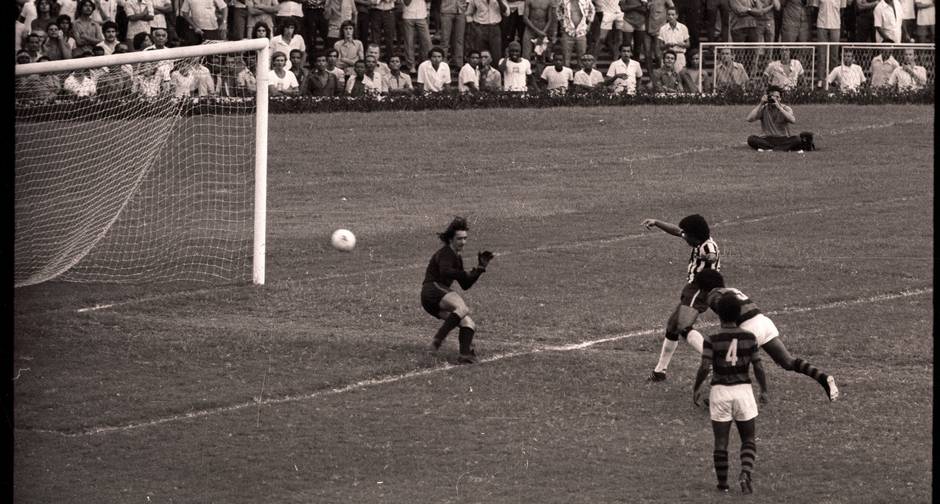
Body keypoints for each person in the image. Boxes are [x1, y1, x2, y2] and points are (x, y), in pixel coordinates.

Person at [689, 269, 840, 403]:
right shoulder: (733, 290)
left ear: (704, 287)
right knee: (788, 362)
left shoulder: (713, 296)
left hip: (749, 327)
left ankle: (720, 396)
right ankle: (823, 378)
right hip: (764, 322)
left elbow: (728, 317)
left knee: (727, 361)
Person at [692, 291, 767, 495]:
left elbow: (705, 366)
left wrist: (697, 387)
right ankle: (745, 472)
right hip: (743, 391)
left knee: (721, 442)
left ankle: (723, 485)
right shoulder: (749, 338)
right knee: (748, 439)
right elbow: (758, 367)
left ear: (719, 314)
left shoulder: (712, 339)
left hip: (720, 392)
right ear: (738, 313)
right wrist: (764, 389)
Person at [641, 214, 720, 382]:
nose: (685, 238)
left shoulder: (708, 246)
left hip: (700, 290)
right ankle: (660, 372)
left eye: (688, 235)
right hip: (692, 288)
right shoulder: (697, 239)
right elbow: (677, 231)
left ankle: (713, 359)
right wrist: (656, 222)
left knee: (683, 326)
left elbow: (712, 255)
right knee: (672, 326)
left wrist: (708, 258)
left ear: (696, 235)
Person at [421, 216, 494, 364]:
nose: (463, 242)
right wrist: (465, 273)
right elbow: (445, 271)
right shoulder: (446, 253)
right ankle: (437, 341)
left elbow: (465, 284)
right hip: (432, 290)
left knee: (468, 323)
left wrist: (480, 269)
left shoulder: (457, 258)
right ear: (451, 239)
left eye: (465, 238)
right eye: (460, 239)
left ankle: (465, 355)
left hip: (434, 302)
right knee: (462, 307)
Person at [746, 85, 814, 152]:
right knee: (751, 139)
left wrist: (779, 107)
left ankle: (771, 149)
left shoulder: (785, 108)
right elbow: (749, 119)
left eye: (777, 97)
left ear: (780, 99)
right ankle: (781, 149)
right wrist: (761, 103)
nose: (774, 99)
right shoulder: (764, 108)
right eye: (772, 97)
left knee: (797, 139)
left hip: (783, 138)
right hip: (767, 138)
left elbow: (793, 120)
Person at [556, 0, 594, 67]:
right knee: (566, 57)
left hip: (581, 31)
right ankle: (567, 75)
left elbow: (592, 10)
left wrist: (589, 24)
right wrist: (562, 23)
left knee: (582, 57)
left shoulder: (586, 1)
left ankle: (580, 76)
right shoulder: (564, 1)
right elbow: (558, 9)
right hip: (567, 31)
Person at [466, 0, 504, 64]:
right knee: (480, 53)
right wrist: (475, 28)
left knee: (496, 54)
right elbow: (468, 14)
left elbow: (506, 13)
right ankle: (480, 72)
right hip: (480, 27)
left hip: (494, 27)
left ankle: (495, 72)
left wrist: (499, 1)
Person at [402, 0, 433, 73]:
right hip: (408, 15)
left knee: (427, 41)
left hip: (422, 15)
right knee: (409, 42)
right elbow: (406, 3)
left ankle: (426, 63)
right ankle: (411, 65)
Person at [439, 0, 468, 67]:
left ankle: (459, 64)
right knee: (445, 39)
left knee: (459, 39)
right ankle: (443, 62)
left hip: (461, 10)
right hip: (446, 10)